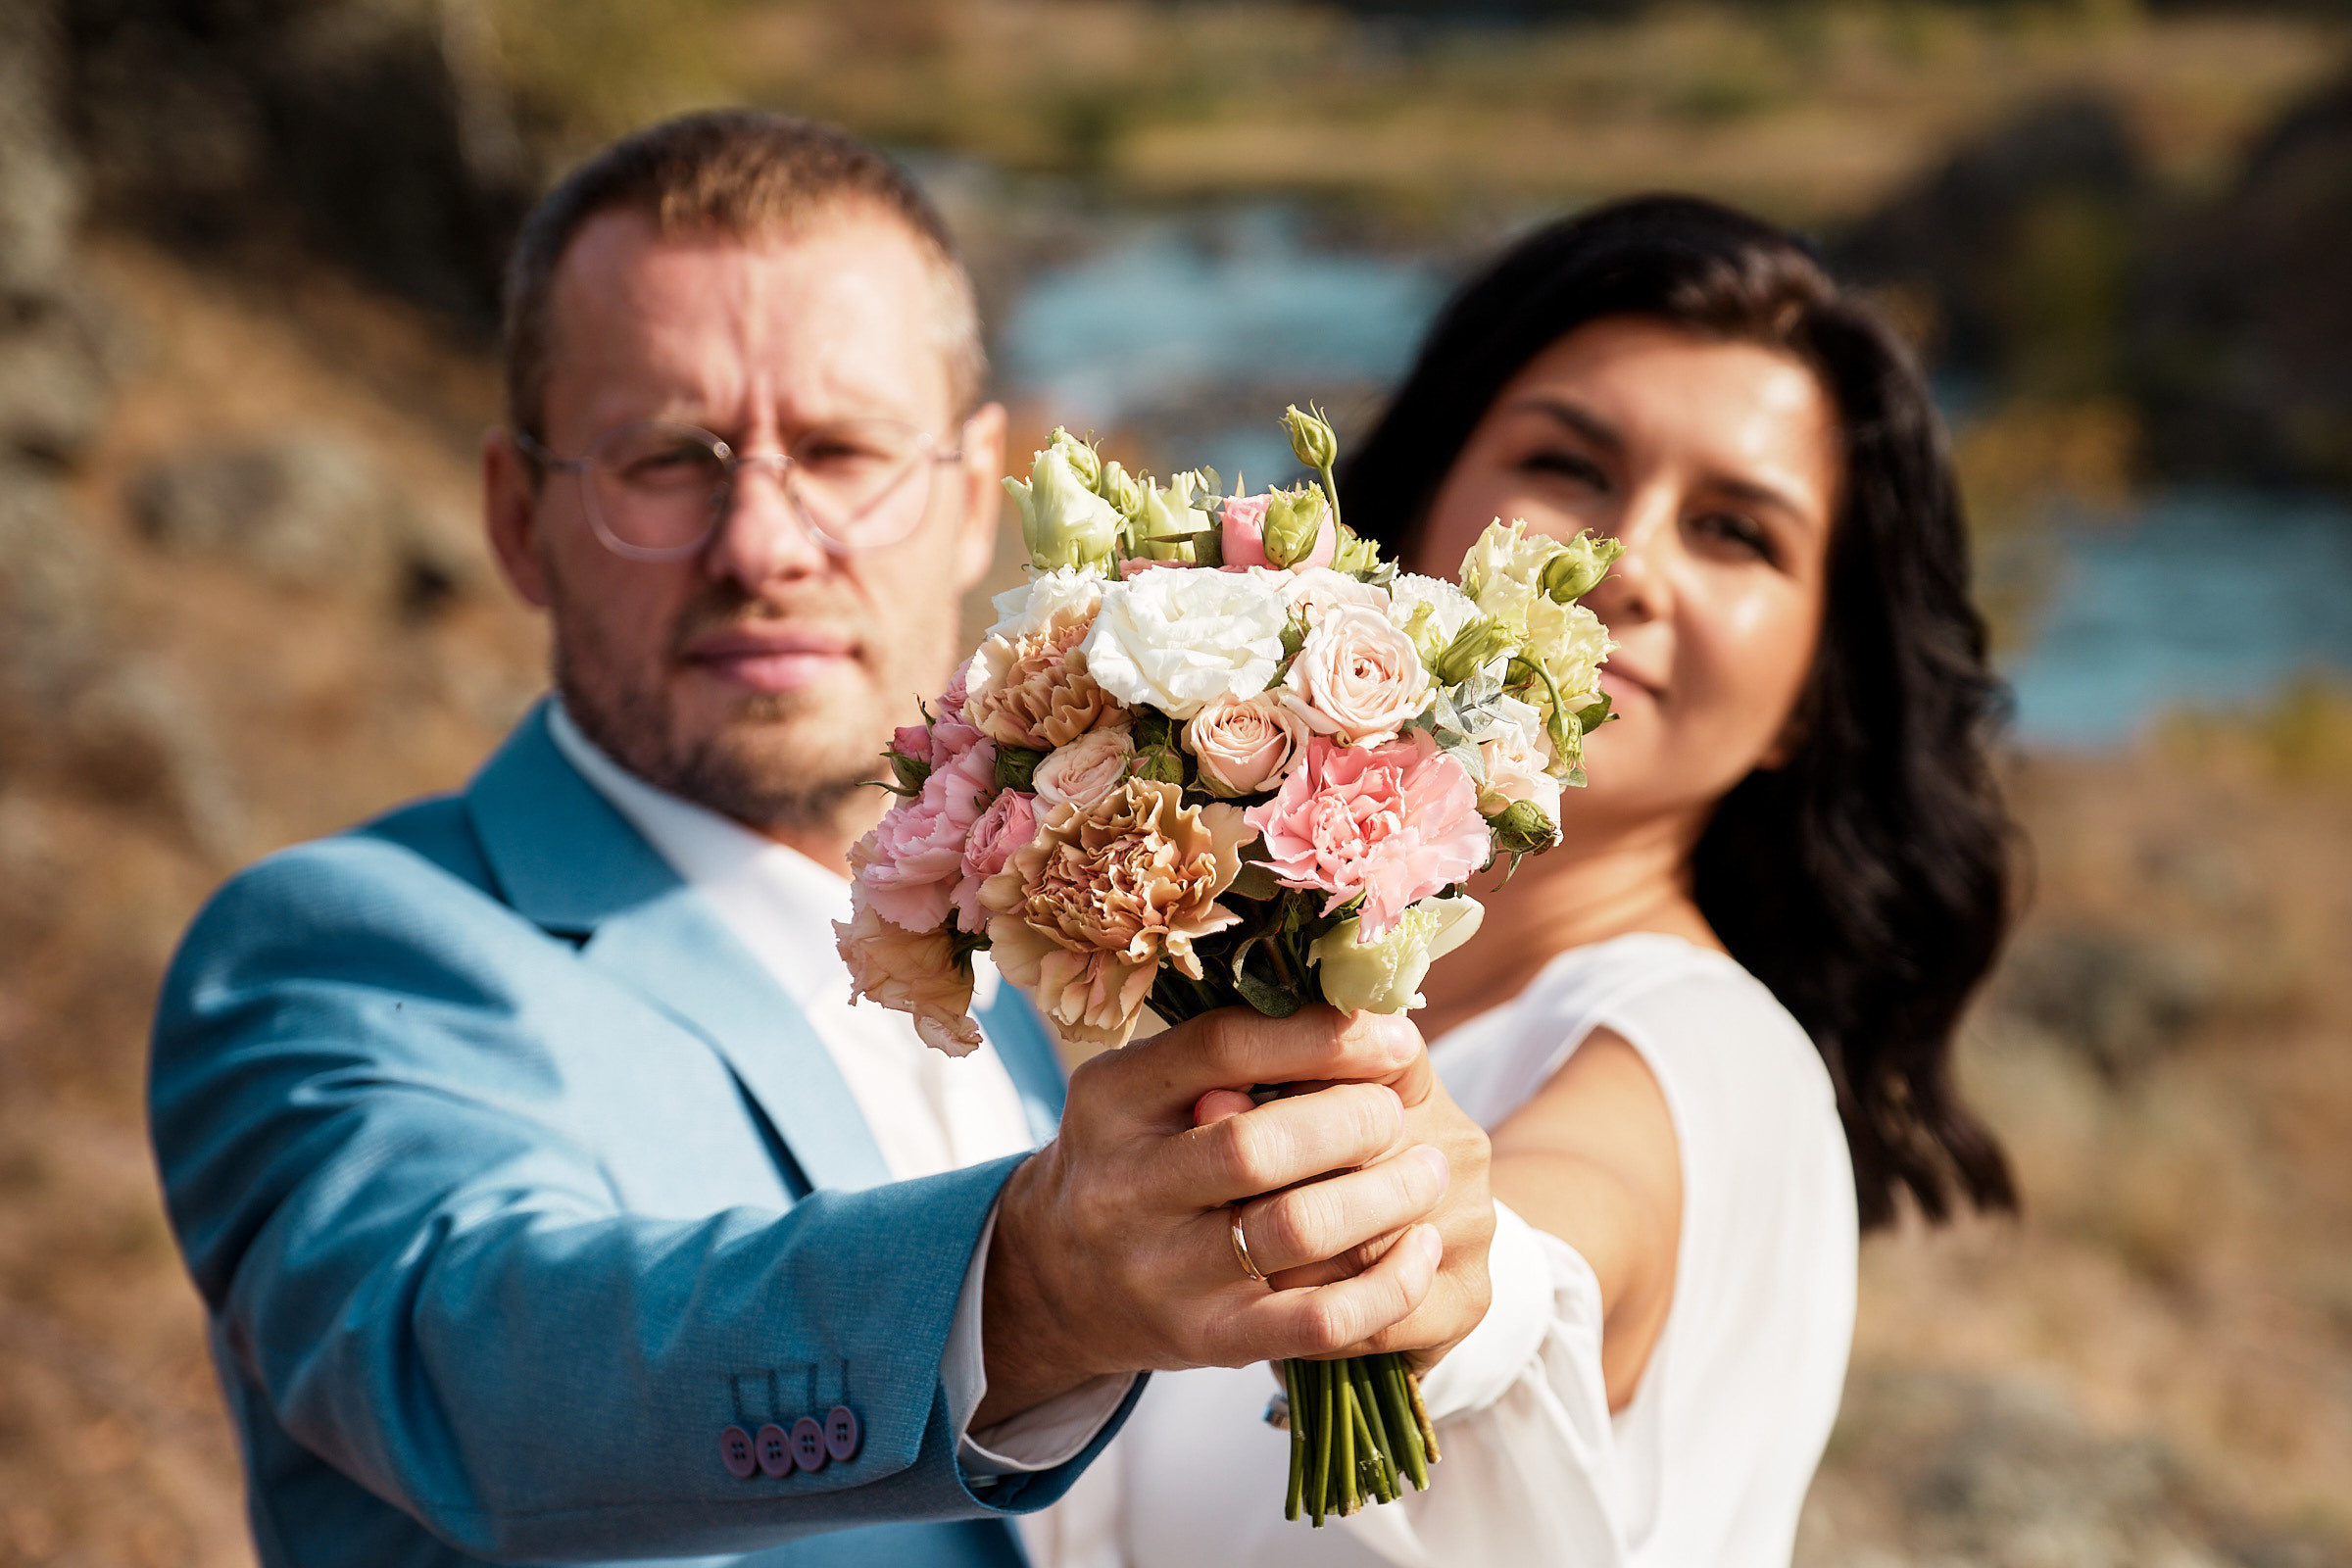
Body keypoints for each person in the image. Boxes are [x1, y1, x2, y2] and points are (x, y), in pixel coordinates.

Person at [146, 111, 1495, 1568]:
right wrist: (1023, 1290)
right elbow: (470, 1366)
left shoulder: (1081, 968)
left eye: (842, 449)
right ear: (517, 518)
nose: (764, 545)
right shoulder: (338, 952)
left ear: (976, 496)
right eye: (668, 457)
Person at [1120, 196, 2020, 1566]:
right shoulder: (1307, 1006)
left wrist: (1461, 1282)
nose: (1627, 564)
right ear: (1415, 510)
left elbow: (1547, 1245)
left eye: (1737, 532)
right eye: (1570, 465)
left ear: (1805, 701)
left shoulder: (1707, 1054)